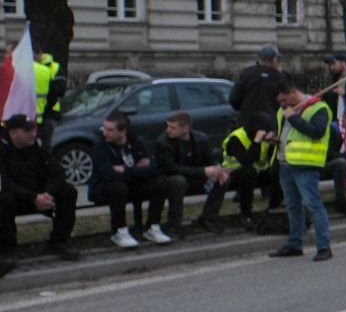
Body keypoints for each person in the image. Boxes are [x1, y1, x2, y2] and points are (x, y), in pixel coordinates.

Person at [89, 112, 178, 248]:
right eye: (104, 128)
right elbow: (108, 174)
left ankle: (152, 227)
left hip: (133, 185)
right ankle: (119, 231)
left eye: (110, 130)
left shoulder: (137, 142)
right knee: (118, 186)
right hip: (106, 188)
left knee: (160, 182)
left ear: (122, 131)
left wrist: (125, 169)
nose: (105, 133)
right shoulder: (100, 147)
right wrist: (138, 170)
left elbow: (153, 169)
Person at [267, 79, 333, 262]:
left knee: (313, 204)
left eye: (284, 100)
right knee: (293, 206)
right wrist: (274, 137)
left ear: (293, 93)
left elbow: (317, 132)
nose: (282, 104)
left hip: (305, 163)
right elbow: (285, 131)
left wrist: (293, 118)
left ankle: (323, 246)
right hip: (284, 162)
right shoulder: (284, 110)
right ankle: (295, 243)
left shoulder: (318, 108)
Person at [1, 114, 79, 263]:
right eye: (27, 131)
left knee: (68, 192)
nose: (33, 133)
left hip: (41, 197)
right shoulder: (3, 150)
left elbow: (58, 173)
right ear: (13, 133)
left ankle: (59, 241)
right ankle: (8, 249)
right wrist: (33, 197)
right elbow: (4, 182)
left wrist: (47, 193)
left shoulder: (37, 147)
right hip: (17, 198)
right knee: (4, 199)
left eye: (34, 129)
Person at [153, 111, 228, 233]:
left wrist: (217, 169)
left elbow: (211, 159)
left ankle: (209, 217)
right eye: (167, 126)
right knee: (178, 181)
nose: (168, 130)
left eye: (172, 127)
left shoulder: (201, 139)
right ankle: (174, 223)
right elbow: (172, 169)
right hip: (170, 179)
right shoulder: (163, 143)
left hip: (195, 176)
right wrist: (203, 171)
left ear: (185, 128)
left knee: (223, 178)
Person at [227, 44, 288, 139]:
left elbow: (234, 99)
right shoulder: (280, 77)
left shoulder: (246, 74)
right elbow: (289, 100)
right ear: (274, 60)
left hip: (247, 124)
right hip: (272, 126)